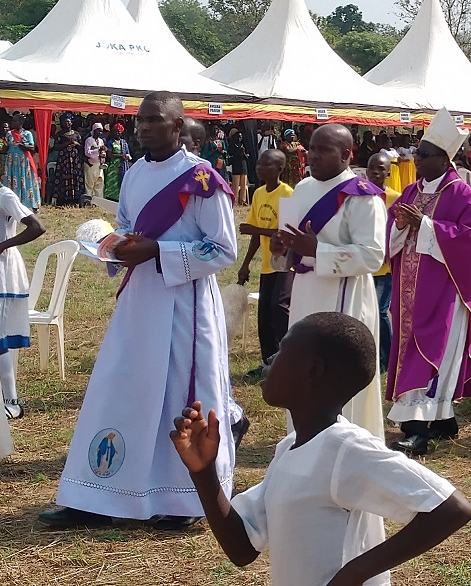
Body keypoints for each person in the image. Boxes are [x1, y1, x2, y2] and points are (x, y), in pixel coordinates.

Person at [39, 91, 240, 531]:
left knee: (176, 394)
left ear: (177, 125)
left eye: (155, 120)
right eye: (140, 121)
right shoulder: (133, 173)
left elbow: (223, 249)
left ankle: (182, 500)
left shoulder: (201, 180)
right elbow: (130, 227)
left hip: (184, 305)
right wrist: (116, 246)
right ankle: (94, 494)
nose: (145, 128)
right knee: (120, 385)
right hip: (138, 300)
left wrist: (158, 251)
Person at [170, 312, 471, 586]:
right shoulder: (290, 448)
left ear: (312, 370)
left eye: (282, 350)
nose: (270, 360)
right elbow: (242, 548)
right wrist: (203, 471)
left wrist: (353, 574)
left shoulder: (345, 447)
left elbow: (451, 509)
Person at [270, 124, 387, 441]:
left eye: (324, 150)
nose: (313, 156)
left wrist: (318, 250)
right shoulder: (303, 188)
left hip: (344, 296)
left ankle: (343, 442)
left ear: (347, 155)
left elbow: (374, 256)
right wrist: (281, 249)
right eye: (312, 148)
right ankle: (301, 436)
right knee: (303, 362)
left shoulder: (362, 198)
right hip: (306, 291)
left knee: (335, 369)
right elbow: (290, 244)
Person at [385, 108, 471, 456]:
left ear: (444, 160)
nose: (416, 158)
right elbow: (391, 232)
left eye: (423, 155)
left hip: (445, 289)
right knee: (410, 347)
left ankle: (417, 430)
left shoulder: (462, 195)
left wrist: (424, 226)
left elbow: (469, 240)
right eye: (416, 151)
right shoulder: (410, 191)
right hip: (409, 287)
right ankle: (442, 419)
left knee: (433, 352)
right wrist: (400, 224)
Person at [237, 149, 293, 379]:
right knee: (264, 316)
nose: (259, 167)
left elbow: (286, 234)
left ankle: (286, 360)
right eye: (259, 163)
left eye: (266, 164)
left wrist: (256, 230)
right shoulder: (259, 193)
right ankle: (267, 362)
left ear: (279, 169)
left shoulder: (287, 194)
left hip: (284, 263)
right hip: (267, 266)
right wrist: (246, 264)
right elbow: (254, 236)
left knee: (278, 310)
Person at [0, 185, 44, 421]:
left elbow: (37, 227)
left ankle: (13, 404)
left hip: (3, 274)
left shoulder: (5, 196)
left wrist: (3, 246)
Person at [366, 153, 400, 373]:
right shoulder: (359, 194)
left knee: (379, 310)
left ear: (388, 172)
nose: (376, 173)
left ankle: (388, 358)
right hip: (363, 265)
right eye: (372, 169)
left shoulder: (395, 198)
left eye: (381, 169)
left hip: (385, 266)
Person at [1, 113, 41, 210]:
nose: (12, 123)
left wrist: (22, 145)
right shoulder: (9, 134)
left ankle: (27, 203)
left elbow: (32, 147)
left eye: (15, 121)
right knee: (12, 181)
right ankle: (10, 203)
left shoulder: (27, 134)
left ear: (21, 122)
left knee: (24, 180)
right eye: (12, 121)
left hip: (23, 161)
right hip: (11, 162)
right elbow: (6, 148)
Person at [51, 113, 85, 206]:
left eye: (68, 122)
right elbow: (56, 147)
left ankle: (75, 198)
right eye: (64, 122)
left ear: (71, 123)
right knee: (63, 176)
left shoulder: (76, 134)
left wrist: (76, 144)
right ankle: (63, 199)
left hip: (74, 159)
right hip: (64, 160)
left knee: (75, 176)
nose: (67, 124)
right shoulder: (60, 134)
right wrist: (67, 143)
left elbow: (82, 147)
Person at [103, 123, 132, 201]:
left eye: (118, 131)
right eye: (115, 131)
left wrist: (127, 156)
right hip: (114, 165)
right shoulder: (110, 142)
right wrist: (121, 156)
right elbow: (110, 155)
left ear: (121, 132)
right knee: (113, 182)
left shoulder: (124, 142)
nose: (117, 133)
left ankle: (120, 198)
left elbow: (127, 153)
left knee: (122, 181)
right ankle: (111, 198)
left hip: (123, 165)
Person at [83, 122, 106, 199]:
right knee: (89, 183)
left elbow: (103, 152)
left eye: (101, 131)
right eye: (98, 131)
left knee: (99, 183)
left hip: (99, 165)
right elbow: (87, 152)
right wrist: (98, 151)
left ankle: (98, 201)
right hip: (91, 164)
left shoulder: (101, 141)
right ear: (94, 130)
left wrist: (103, 153)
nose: (100, 133)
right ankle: (88, 200)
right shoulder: (89, 140)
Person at [227, 128, 249, 207]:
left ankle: (243, 200)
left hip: (244, 166)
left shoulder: (243, 145)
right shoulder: (232, 145)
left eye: (241, 137)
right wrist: (239, 151)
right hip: (236, 166)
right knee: (235, 185)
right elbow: (231, 154)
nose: (240, 138)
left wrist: (244, 153)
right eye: (238, 136)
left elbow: (247, 156)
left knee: (243, 184)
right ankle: (235, 200)